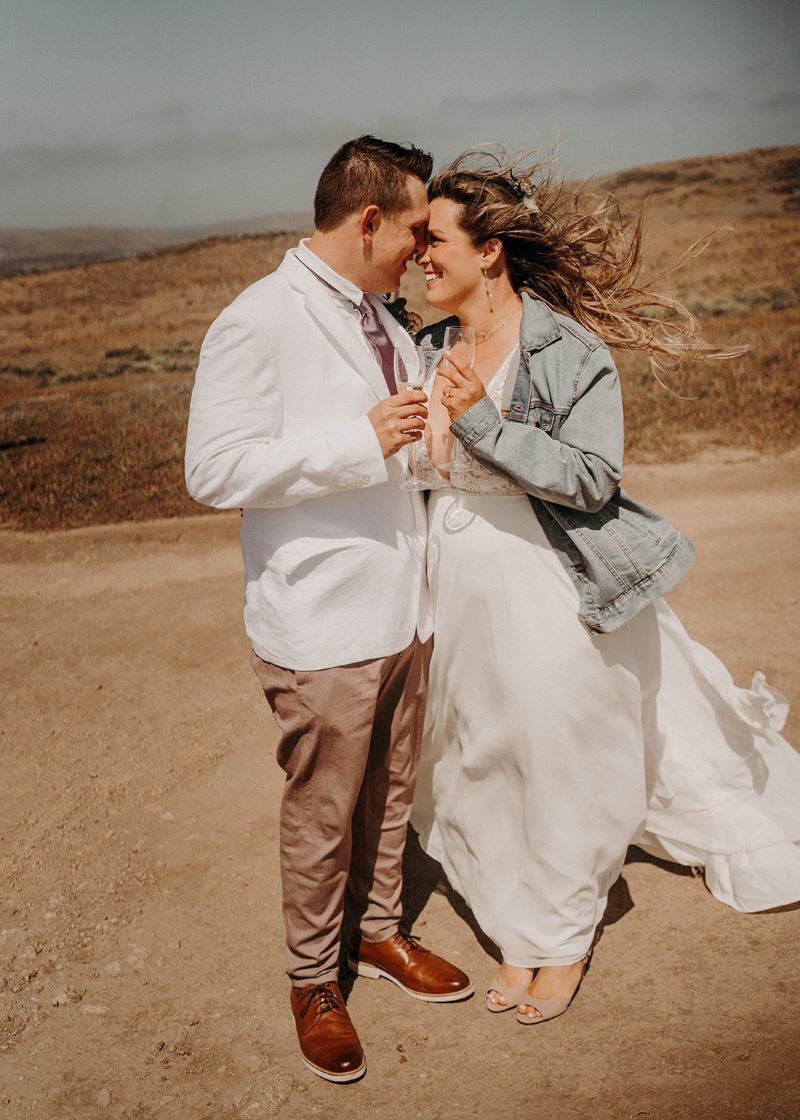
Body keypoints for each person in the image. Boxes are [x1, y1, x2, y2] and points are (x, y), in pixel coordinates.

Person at [408, 153, 800, 1026]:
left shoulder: (567, 350)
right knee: (477, 755)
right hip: (456, 583)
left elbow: (591, 479)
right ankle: (520, 926)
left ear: (491, 250)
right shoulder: (427, 346)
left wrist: (482, 423)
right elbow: (418, 471)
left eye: (434, 241)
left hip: (546, 577)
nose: (419, 259)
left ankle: (565, 933)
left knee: (559, 751)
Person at [185, 136, 471, 1085]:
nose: (422, 248)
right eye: (416, 227)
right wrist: (355, 443)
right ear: (368, 220)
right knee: (322, 812)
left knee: (389, 796)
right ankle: (313, 980)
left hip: (405, 605)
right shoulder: (257, 320)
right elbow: (212, 470)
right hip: (321, 620)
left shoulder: (384, 318)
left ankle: (380, 933)